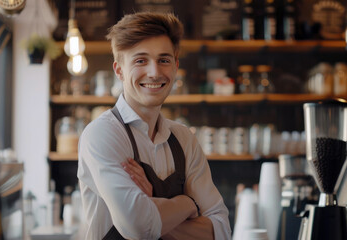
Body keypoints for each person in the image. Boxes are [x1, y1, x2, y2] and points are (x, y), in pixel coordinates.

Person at [77, 12, 231, 240]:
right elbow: (137, 227)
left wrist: (152, 204)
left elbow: (220, 230)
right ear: (119, 70)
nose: (154, 72)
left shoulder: (184, 139)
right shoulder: (102, 134)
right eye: (140, 60)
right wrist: (187, 203)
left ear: (176, 66)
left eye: (164, 60)